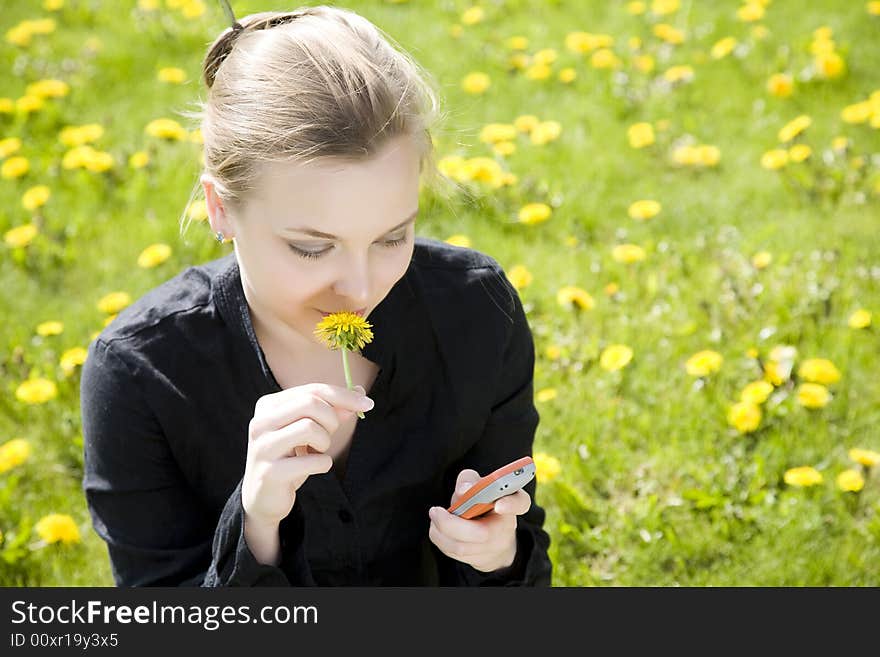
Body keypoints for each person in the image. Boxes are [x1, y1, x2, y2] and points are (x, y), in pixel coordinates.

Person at [80, 3, 552, 586]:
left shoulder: (477, 312)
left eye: (391, 237)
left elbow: (523, 568)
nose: (359, 288)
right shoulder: (141, 373)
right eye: (310, 247)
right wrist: (255, 525)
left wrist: (497, 556)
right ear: (220, 207)